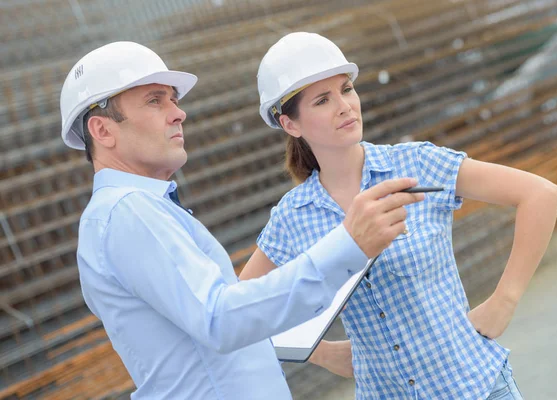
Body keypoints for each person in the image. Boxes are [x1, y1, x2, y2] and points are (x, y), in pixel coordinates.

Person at [59, 41, 426, 399]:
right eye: (155, 101)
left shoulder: (139, 211)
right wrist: (348, 245)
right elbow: (221, 319)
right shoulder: (128, 213)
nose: (178, 113)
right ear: (103, 130)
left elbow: (219, 322)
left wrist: (322, 352)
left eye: (174, 99)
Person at [240, 32, 557, 399]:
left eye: (346, 89)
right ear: (290, 125)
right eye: (322, 100)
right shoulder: (293, 218)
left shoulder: (416, 164)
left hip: (477, 387)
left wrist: (505, 299)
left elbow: (540, 194)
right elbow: (240, 310)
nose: (345, 106)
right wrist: (322, 353)